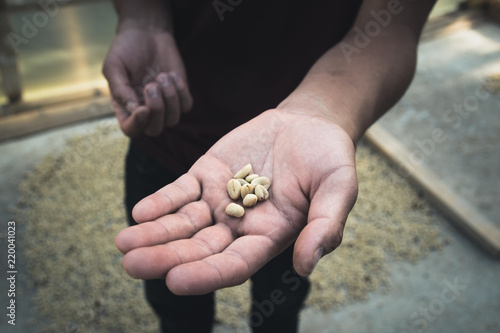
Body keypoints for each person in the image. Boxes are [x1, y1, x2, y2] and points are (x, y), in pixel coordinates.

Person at [102, 0, 437, 331]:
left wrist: (321, 110)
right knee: (174, 301)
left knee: (278, 305)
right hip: (165, 127)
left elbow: (391, 26)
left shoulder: (281, 183)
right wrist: (142, 19)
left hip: (291, 171)